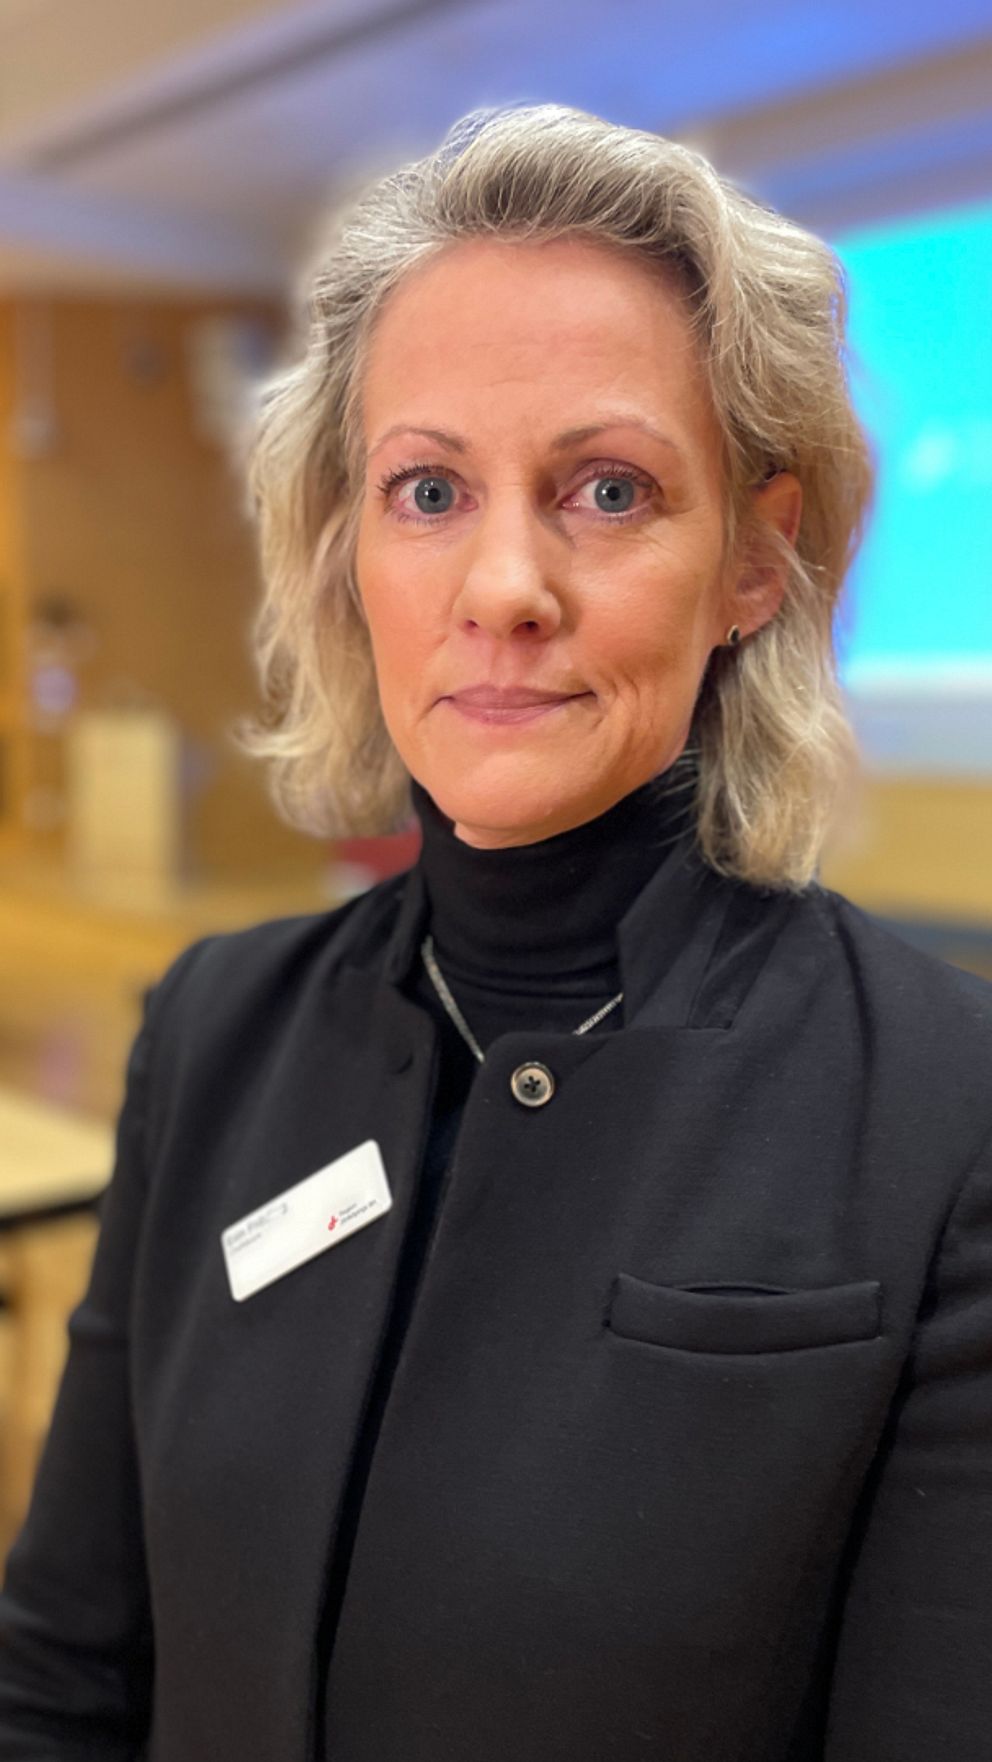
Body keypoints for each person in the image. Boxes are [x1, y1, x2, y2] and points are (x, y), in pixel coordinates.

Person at [0, 100, 990, 1762]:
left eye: (607, 488)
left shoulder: (948, 1114)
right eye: (430, 489)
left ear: (754, 562)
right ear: (350, 551)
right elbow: (62, 1678)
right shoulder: (215, 1030)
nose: (504, 584)